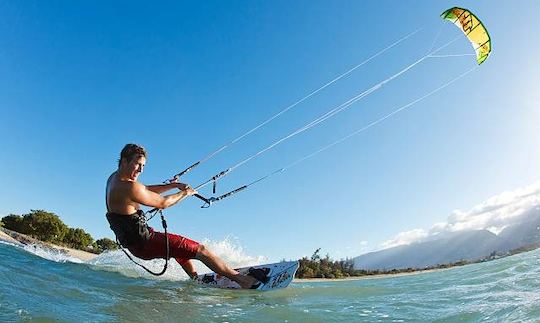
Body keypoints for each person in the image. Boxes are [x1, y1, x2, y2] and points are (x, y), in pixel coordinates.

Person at [105, 143, 260, 289]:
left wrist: (173, 185)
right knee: (201, 250)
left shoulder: (114, 179)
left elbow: (144, 190)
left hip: (136, 245)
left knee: (179, 252)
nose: (141, 170)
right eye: (138, 164)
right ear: (124, 161)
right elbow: (163, 203)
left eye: (143, 166)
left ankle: (195, 280)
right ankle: (243, 281)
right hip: (146, 243)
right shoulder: (128, 187)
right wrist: (184, 193)